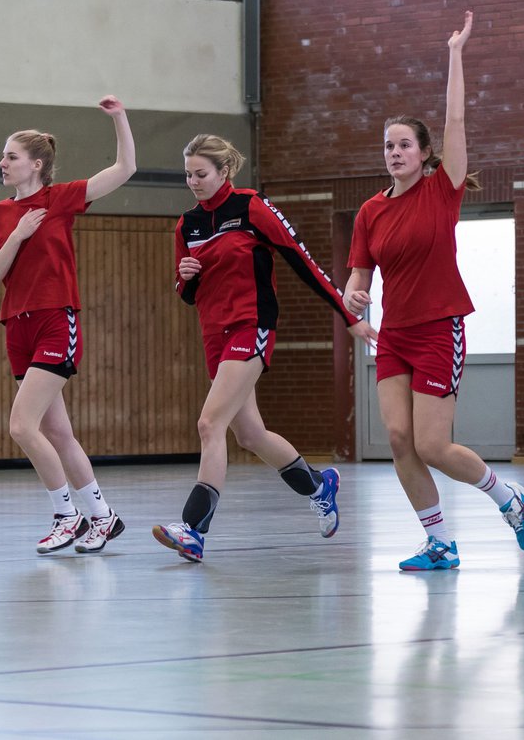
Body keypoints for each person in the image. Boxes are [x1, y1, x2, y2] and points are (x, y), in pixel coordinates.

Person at [343, 11, 524, 571]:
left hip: (439, 328)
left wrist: (455, 53)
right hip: (394, 337)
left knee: (433, 444)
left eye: (404, 144)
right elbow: (360, 278)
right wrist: (354, 301)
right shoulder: (369, 211)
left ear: (425, 152)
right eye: (388, 145)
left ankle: (510, 500)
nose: (394, 152)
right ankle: (439, 542)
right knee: (400, 440)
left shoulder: (442, 189)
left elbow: (455, 118)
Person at [152, 135, 378, 563]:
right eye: (188, 175)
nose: (193, 182)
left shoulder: (252, 206)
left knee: (209, 423)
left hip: (251, 326)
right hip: (213, 334)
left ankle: (194, 529)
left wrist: (349, 317)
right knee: (250, 434)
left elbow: (303, 261)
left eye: (201, 174)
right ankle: (319, 486)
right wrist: (187, 275)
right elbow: (185, 293)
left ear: (224, 172)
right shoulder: (188, 225)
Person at [0, 96, 135, 554]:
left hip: (55, 321)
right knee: (59, 434)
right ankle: (103, 517)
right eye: (4, 155)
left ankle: (68, 516)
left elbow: (124, 168)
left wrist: (120, 119)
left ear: (36, 164)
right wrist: (18, 235)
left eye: (11, 156)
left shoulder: (60, 199)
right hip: (16, 327)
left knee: (22, 426)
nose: (2, 162)